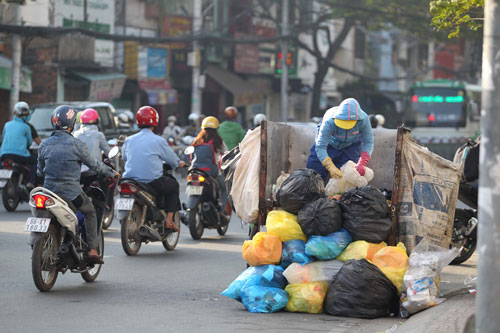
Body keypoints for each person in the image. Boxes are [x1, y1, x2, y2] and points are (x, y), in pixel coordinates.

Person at [37, 105, 119, 263]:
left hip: (48, 193)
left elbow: (40, 171)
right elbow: (96, 165)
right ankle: (93, 250)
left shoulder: (44, 145)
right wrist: (112, 173)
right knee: (90, 212)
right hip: (71, 194)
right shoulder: (77, 145)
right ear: (72, 124)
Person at [122, 106, 186, 231]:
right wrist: (179, 163)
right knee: (173, 186)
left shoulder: (129, 140)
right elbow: (172, 160)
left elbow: (125, 157)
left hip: (129, 180)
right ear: (155, 122)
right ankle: (169, 220)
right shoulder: (158, 140)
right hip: (151, 181)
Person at [306, 98, 374, 182]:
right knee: (313, 172)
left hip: (350, 147)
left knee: (345, 178)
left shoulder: (363, 120)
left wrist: (362, 162)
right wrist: (329, 166)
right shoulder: (329, 120)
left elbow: (369, 142)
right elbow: (320, 146)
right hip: (329, 145)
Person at [190, 116, 229, 215]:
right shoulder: (218, 141)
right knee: (224, 189)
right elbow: (226, 154)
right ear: (216, 128)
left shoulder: (197, 140)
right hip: (211, 172)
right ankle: (221, 211)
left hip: (195, 170)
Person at [0, 101, 37, 186]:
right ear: (26, 115)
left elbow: (4, 138)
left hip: (4, 155)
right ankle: (30, 182)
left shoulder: (7, 124)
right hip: (20, 155)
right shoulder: (27, 127)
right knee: (35, 162)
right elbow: (29, 142)